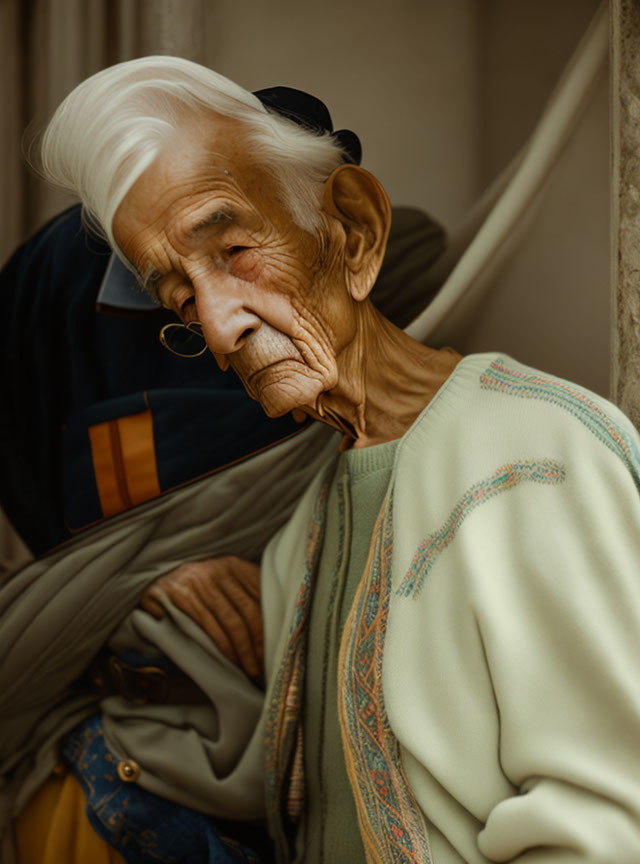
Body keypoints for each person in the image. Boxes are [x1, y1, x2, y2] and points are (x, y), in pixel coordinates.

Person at [19, 54, 640, 863]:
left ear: (351, 230)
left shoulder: (540, 460)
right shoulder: (303, 527)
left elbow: (608, 827)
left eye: (234, 250)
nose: (216, 328)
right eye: (179, 298)